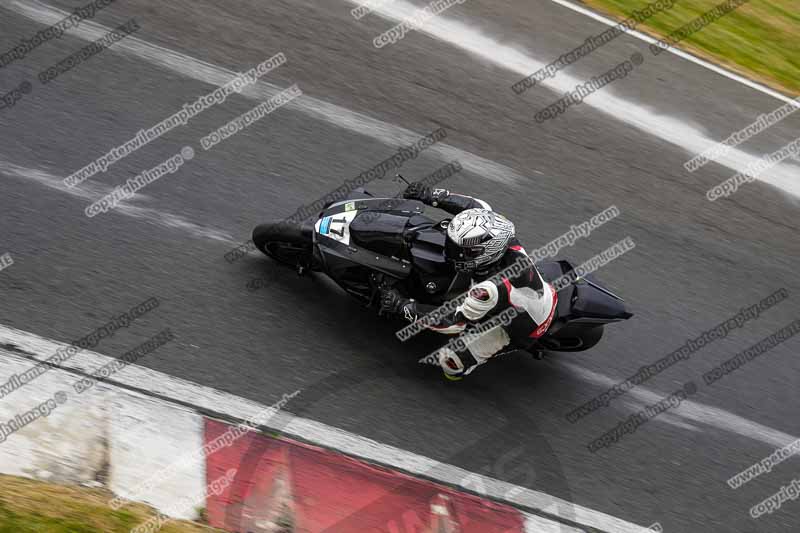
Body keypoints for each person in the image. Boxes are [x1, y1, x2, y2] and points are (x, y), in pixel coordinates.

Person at [378, 183, 558, 379]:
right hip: (529, 294)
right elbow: (475, 206)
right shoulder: (501, 233)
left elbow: (451, 323)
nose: (452, 251)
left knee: (450, 360)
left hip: (525, 324)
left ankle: (469, 363)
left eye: (459, 251)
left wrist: (403, 306)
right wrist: (430, 195)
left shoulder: (488, 290)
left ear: (485, 254)